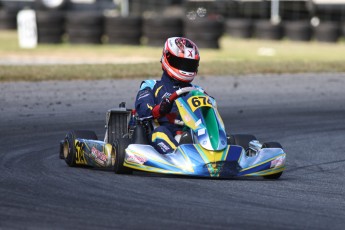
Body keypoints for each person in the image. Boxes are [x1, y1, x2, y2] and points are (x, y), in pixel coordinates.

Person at [135, 37, 202, 154]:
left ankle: (215, 152)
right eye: (180, 63)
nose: (184, 68)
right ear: (167, 58)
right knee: (161, 132)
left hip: (192, 133)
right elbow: (143, 109)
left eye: (189, 65)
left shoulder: (197, 90)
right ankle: (178, 154)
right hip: (161, 131)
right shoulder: (151, 85)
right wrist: (160, 109)